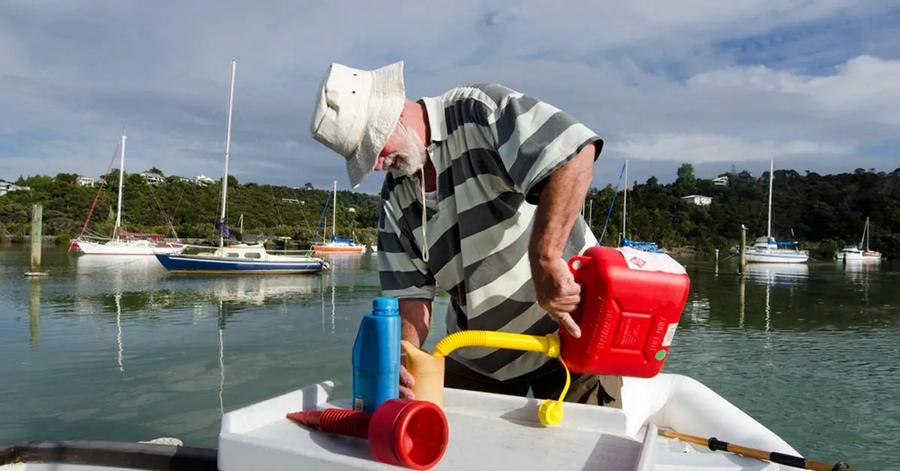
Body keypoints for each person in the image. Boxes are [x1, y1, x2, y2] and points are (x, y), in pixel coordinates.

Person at [311, 61, 619, 406]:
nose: (378, 164)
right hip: (480, 353)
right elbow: (411, 302)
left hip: (572, 336)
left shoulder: (479, 111)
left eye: (374, 147)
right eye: (366, 158)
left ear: (393, 112)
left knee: (590, 452)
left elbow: (573, 155)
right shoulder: (394, 200)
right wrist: (404, 356)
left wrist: (545, 257)